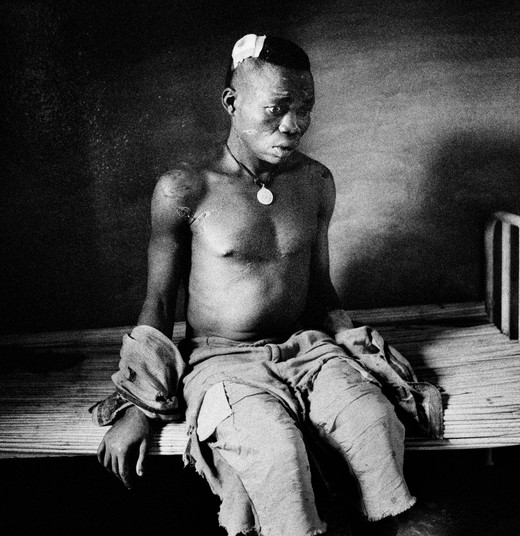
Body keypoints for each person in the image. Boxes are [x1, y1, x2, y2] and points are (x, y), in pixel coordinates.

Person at [95, 34, 420, 536]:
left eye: (305, 109)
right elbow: (158, 302)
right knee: (276, 452)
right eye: (276, 108)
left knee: (373, 420)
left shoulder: (315, 182)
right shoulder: (185, 189)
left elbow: (320, 288)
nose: (294, 125)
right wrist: (142, 407)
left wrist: (351, 342)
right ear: (232, 102)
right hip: (220, 362)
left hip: (305, 350)